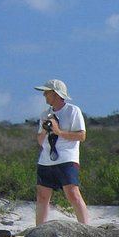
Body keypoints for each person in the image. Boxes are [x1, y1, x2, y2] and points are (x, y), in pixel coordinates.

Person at [33, 79, 90, 226]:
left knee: (72, 194)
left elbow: (81, 136)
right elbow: (40, 140)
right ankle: (39, 229)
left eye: (47, 92)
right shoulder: (45, 114)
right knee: (42, 196)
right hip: (46, 159)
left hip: (66, 158)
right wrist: (46, 130)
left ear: (55, 94)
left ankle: (85, 227)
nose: (44, 95)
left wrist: (58, 131)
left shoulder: (72, 111)